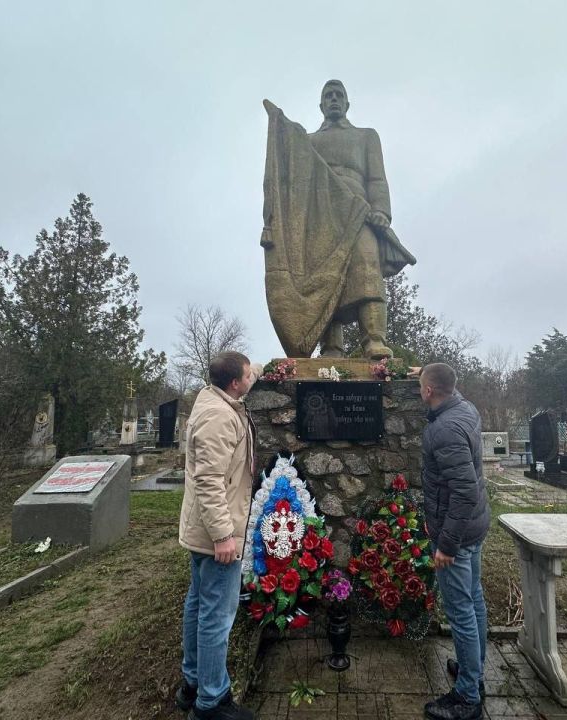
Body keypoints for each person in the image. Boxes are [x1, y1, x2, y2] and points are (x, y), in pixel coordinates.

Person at [260, 80, 416, 360]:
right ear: (321, 105)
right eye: (328, 96)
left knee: (367, 271)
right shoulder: (307, 142)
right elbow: (288, 178)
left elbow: (377, 179)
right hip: (321, 217)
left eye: (338, 95)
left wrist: (381, 211)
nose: (333, 99)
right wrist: (281, 127)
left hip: (359, 212)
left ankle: (374, 341)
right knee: (325, 276)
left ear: (347, 103)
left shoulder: (366, 136)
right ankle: (332, 347)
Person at [176, 351, 262, 720]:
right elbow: (209, 482)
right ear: (234, 384)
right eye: (247, 375)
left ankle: (192, 683)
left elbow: (249, 372)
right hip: (216, 536)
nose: (250, 378)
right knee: (216, 616)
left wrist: (269, 365)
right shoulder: (219, 417)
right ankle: (211, 701)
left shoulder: (217, 396)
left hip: (203, 532)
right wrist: (225, 536)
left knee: (198, 604)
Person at [417, 363, 490, 720]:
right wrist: (427, 371)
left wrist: (446, 545)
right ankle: (473, 673)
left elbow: (463, 491)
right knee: (474, 601)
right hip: (474, 529)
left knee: (461, 611)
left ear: (429, 391)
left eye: (421, 385)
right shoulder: (465, 407)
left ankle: (466, 698)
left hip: (456, 535)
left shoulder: (443, 429)